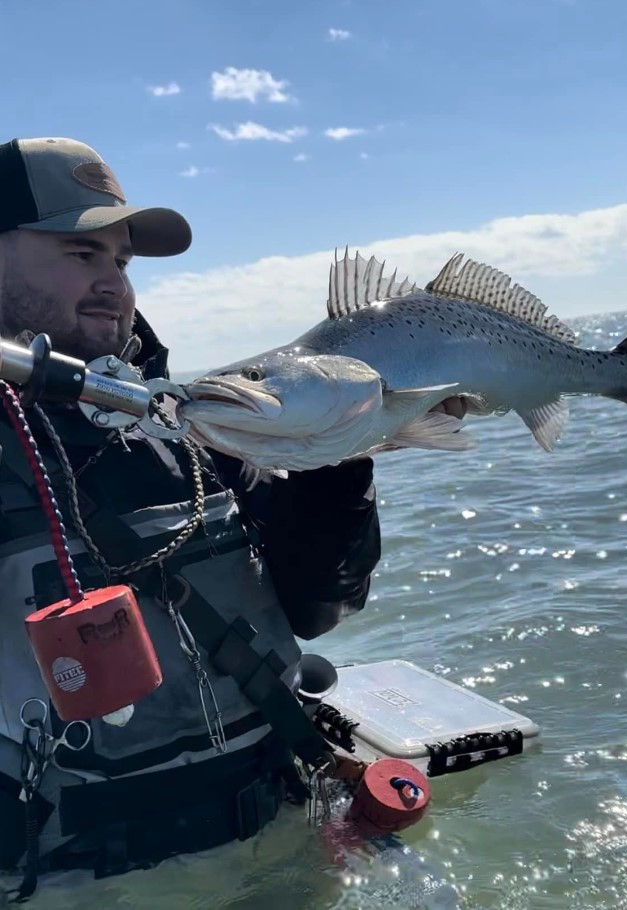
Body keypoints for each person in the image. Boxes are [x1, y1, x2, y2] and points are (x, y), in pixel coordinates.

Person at [0, 137, 383, 899]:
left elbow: (314, 608)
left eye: (121, 262)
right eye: (80, 252)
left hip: (281, 832)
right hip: (82, 882)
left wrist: (336, 461)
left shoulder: (185, 425)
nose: (113, 282)